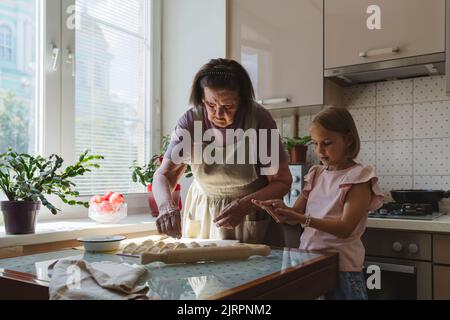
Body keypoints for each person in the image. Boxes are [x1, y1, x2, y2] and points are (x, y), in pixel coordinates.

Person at [152, 58, 293, 245]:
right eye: (211, 105)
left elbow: (282, 181)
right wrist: (166, 206)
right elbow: (165, 175)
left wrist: (244, 206)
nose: (218, 114)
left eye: (228, 107)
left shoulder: (258, 120)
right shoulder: (191, 122)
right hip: (202, 214)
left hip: (249, 214)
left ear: (241, 101)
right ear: (202, 99)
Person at [253, 107, 384, 300]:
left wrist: (300, 218)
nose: (319, 151)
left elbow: (345, 228)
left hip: (342, 269)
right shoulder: (316, 174)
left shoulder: (358, 177)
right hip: (310, 264)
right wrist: (281, 211)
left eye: (327, 143)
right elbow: (294, 216)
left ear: (348, 140)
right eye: (315, 143)